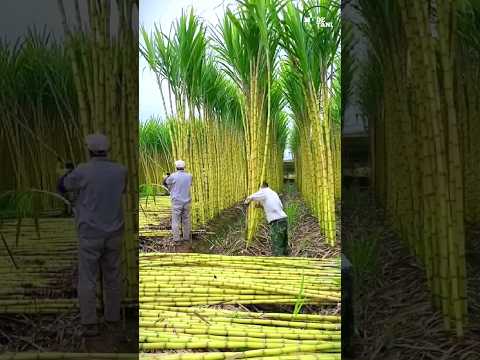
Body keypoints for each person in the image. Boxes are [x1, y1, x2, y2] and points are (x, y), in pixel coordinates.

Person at [57, 134, 127, 338]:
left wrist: (66, 173)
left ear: (89, 151)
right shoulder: (121, 170)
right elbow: (123, 191)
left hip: (90, 233)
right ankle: (113, 319)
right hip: (115, 232)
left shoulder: (82, 171)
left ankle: (89, 323)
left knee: (88, 278)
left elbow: (62, 187)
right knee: (113, 276)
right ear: (108, 150)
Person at [244, 182, 288, 256]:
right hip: (283, 219)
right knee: (283, 243)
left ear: (261, 187)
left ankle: (279, 262)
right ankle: (286, 259)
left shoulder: (264, 191)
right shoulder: (273, 193)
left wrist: (245, 203)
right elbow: (279, 206)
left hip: (276, 222)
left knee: (277, 244)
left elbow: (251, 197)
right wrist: (261, 206)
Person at [163, 160, 193, 242]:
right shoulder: (189, 176)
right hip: (187, 201)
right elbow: (189, 184)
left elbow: (165, 183)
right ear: (184, 167)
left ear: (176, 167)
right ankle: (186, 238)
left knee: (176, 220)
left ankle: (176, 239)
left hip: (176, 202)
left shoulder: (173, 176)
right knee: (186, 220)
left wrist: (166, 177)